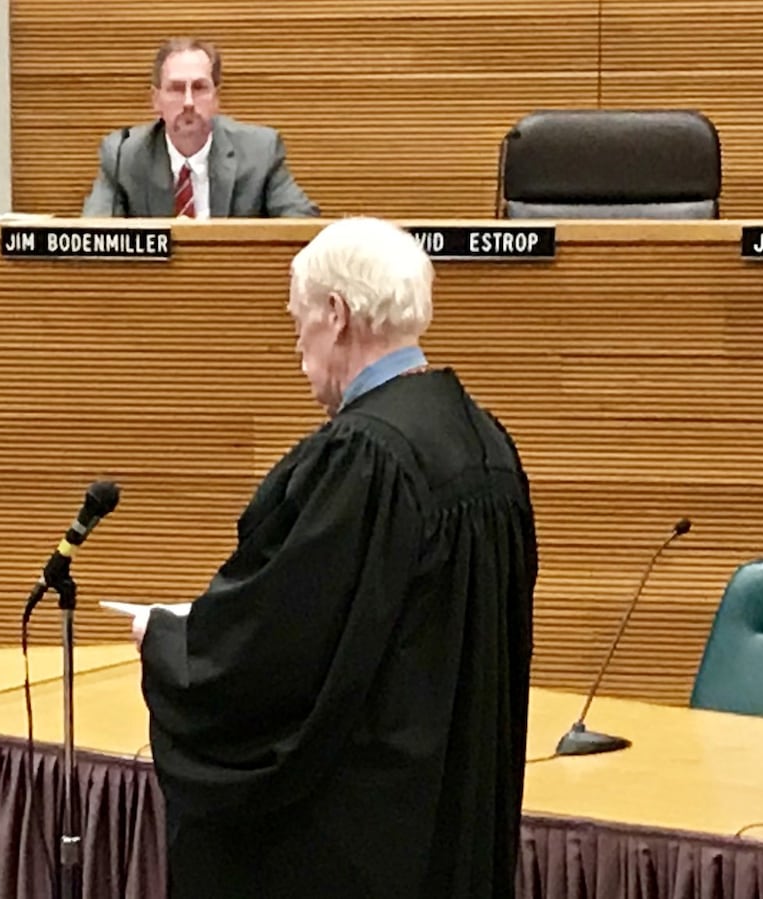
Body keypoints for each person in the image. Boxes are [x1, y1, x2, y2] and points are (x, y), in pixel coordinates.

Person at [135, 216, 537, 898]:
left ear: (337, 313)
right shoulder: (484, 440)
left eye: (299, 322)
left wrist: (174, 643)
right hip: (452, 821)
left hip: (358, 840)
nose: (297, 346)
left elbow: (277, 651)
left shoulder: (363, 457)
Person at [82, 39, 318, 219]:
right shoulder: (123, 156)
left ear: (217, 97)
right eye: (175, 88)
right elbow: (93, 237)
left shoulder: (260, 152)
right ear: (156, 100)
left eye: (199, 88)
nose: (188, 102)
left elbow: (301, 226)